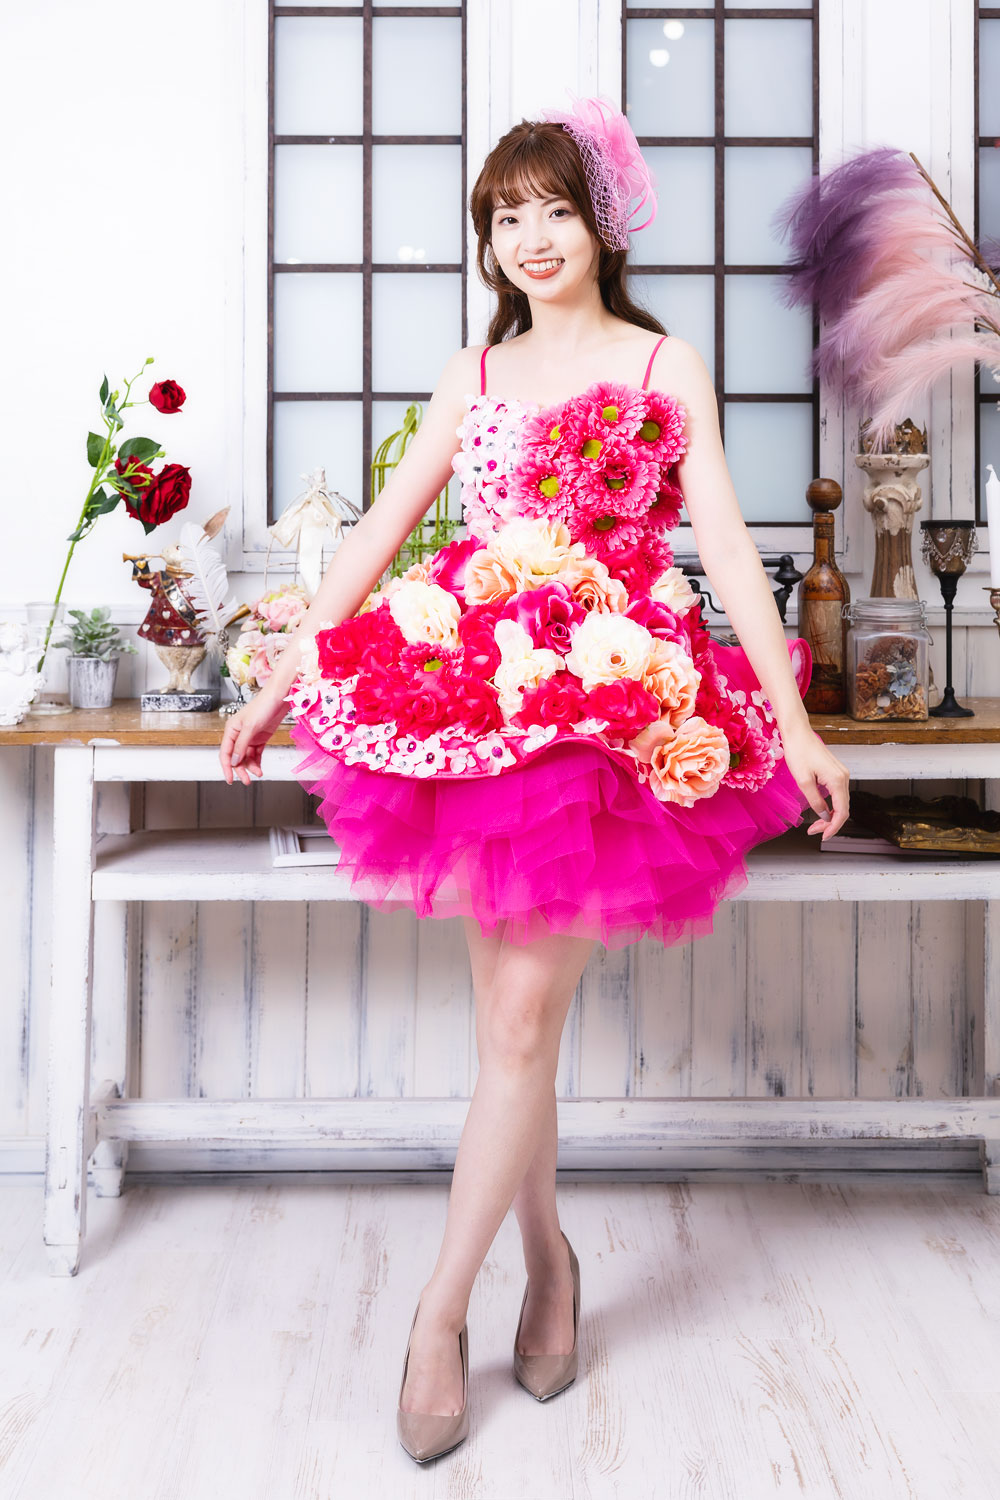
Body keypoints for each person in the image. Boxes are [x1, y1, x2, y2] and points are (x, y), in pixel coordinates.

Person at [218, 94, 850, 1464]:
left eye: (556, 208)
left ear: (602, 222)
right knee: (517, 1032)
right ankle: (551, 1259)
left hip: (610, 706)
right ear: (490, 240)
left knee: (515, 1023)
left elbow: (725, 546)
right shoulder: (476, 375)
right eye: (508, 216)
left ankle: (437, 1314)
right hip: (473, 699)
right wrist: (277, 680)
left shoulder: (662, 365)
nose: (532, 236)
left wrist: (796, 723)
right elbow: (375, 541)